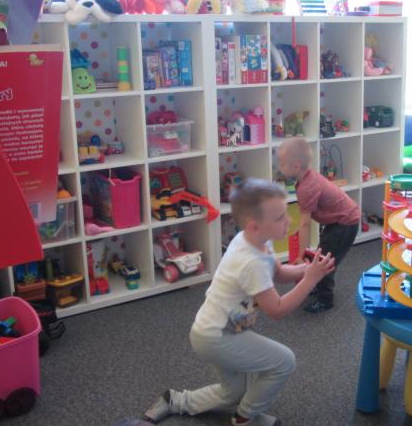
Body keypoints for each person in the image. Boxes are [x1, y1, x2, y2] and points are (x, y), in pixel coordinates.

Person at [143, 179, 335, 426]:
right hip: (217, 337)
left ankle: (176, 400)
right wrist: (310, 280)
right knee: (284, 361)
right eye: (280, 217)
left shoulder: (255, 240)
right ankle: (244, 418)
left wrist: (308, 269)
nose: (288, 220)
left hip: (215, 329)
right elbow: (277, 310)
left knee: (233, 392)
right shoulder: (251, 261)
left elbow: (277, 272)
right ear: (255, 225)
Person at [277, 137, 360, 313]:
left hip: (344, 223)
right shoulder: (306, 179)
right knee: (321, 256)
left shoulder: (306, 188)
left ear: (296, 166)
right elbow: (305, 222)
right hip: (337, 221)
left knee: (324, 261)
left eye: (282, 164)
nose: (279, 167)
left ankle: (325, 299)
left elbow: (305, 224)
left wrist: (301, 253)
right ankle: (316, 282)